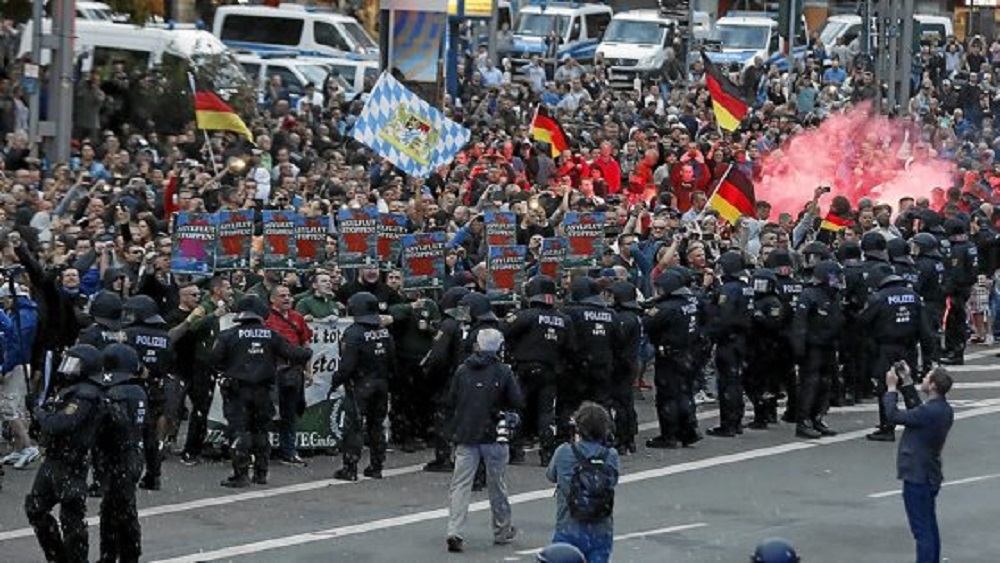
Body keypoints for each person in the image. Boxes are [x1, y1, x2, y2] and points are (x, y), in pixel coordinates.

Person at [211, 295, 312, 487]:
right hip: (263, 391)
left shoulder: (228, 335)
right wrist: (307, 352)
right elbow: (294, 353)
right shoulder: (272, 335)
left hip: (237, 391)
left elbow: (215, 360)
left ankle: (241, 475)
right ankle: (261, 473)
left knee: (239, 431)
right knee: (261, 431)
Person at [445, 328, 523, 553]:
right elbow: (517, 401)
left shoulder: (462, 370)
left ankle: (455, 530)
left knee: (460, 485)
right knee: (497, 484)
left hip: (466, 433)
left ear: (477, 345)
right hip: (494, 433)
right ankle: (501, 529)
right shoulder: (503, 371)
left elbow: (451, 402)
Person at [24, 345, 104, 563]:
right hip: (54, 458)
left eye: (74, 364)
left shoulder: (86, 395)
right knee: (36, 508)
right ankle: (58, 557)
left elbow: (61, 424)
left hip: (71, 461)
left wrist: (39, 412)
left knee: (71, 518)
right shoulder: (71, 390)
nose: (68, 369)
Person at [884, 364, 954, 563]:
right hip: (930, 473)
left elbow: (893, 415)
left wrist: (891, 388)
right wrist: (906, 381)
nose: (922, 379)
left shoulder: (928, 413)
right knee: (929, 525)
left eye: (926, 378)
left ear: (932, 386)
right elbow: (916, 409)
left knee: (921, 530)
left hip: (918, 475)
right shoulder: (942, 409)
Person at [503, 275, 571, 465]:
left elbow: (503, 331)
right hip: (550, 370)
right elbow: (570, 347)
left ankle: (515, 451)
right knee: (546, 412)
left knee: (517, 407)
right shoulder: (564, 319)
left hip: (524, 368)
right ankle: (547, 452)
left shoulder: (525, 316)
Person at [93, 343, 148, 563]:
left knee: (117, 509)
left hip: (117, 455)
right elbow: (148, 431)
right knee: (118, 507)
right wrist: (154, 470)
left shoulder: (112, 393)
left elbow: (109, 428)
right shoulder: (138, 392)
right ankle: (123, 554)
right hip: (133, 454)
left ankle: (120, 555)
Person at [332, 292, 396, 481]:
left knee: (354, 427)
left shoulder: (353, 333)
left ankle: (350, 468)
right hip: (381, 384)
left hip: (360, 385)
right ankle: (377, 466)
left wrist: (336, 380)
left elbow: (347, 365)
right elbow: (392, 360)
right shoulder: (384, 332)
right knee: (376, 426)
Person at [545, 402, 619, 563]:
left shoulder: (564, 452)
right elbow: (613, 481)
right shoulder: (611, 455)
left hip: (568, 525)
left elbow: (550, 475)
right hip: (601, 528)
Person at [644, 268, 701, 448]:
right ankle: (689, 430)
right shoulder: (690, 303)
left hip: (669, 355)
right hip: (688, 353)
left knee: (667, 396)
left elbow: (647, 324)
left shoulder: (665, 308)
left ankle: (669, 435)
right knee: (685, 393)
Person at [122, 295, 173, 491]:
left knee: (128, 433)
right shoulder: (165, 337)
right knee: (151, 435)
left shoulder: (128, 334)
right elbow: (170, 361)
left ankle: (128, 474)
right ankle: (153, 474)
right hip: (155, 388)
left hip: (131, 387)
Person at [791, 260, 844, 439]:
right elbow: (800, 323)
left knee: (825, 383)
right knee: (810, 383)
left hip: (828, 345)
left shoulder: (834, 295)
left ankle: (817, 417)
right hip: (812, 347)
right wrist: (799, 348)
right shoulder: (809, 294)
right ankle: (803, 420)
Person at [264, 284, 313, 466]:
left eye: (289, 295)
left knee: (290, 413)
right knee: (268, 412)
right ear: (272, 299)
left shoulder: (297, 318)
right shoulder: (266, 318)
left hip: (294, 371)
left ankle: (289, 451)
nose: (287, 299)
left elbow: (305, 344)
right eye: (282, 296)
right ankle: (263, 451)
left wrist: (308, 370)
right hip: (274, 371)